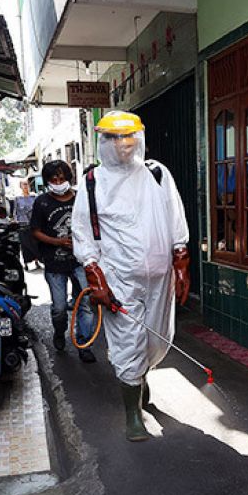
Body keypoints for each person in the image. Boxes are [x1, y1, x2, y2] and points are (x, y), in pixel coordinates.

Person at [71, 111, 190, 442]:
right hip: (120, 281)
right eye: (113, 138)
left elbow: (175, 217)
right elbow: (82, 232)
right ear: (103, 142)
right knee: (127, 343)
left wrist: (181, 261)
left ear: (138, 139)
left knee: (156, 338)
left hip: (159, 279)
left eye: (128, 138)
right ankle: (132, 415)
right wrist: (95, 277)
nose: (122, 145)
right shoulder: (92, 182)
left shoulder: (156, 174)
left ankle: (141, 376)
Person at [31, 159, 97, 364]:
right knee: (59, 308)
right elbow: (35, 232)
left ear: (68, 178)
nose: (58, 182)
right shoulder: (42, 202)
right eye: (53, 179)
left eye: (61, 178)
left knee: (85, 303)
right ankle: (59, 332)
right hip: (54, 264)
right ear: (47, 181)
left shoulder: (81, 198)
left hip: (80, 262)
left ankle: (84, 344)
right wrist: (58, 241)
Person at [13, 179, 41, 271]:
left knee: (35, 243)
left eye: (26, 184)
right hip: (23, 224)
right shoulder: (17, 198)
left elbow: (38, 209)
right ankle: (26, 263)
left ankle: (37, 261)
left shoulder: (34, 197)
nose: (25, 186)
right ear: (20, 186)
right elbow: (15, 212)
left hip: (33, 224)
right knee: (25, 244)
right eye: (23, 185)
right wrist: (16, 221)